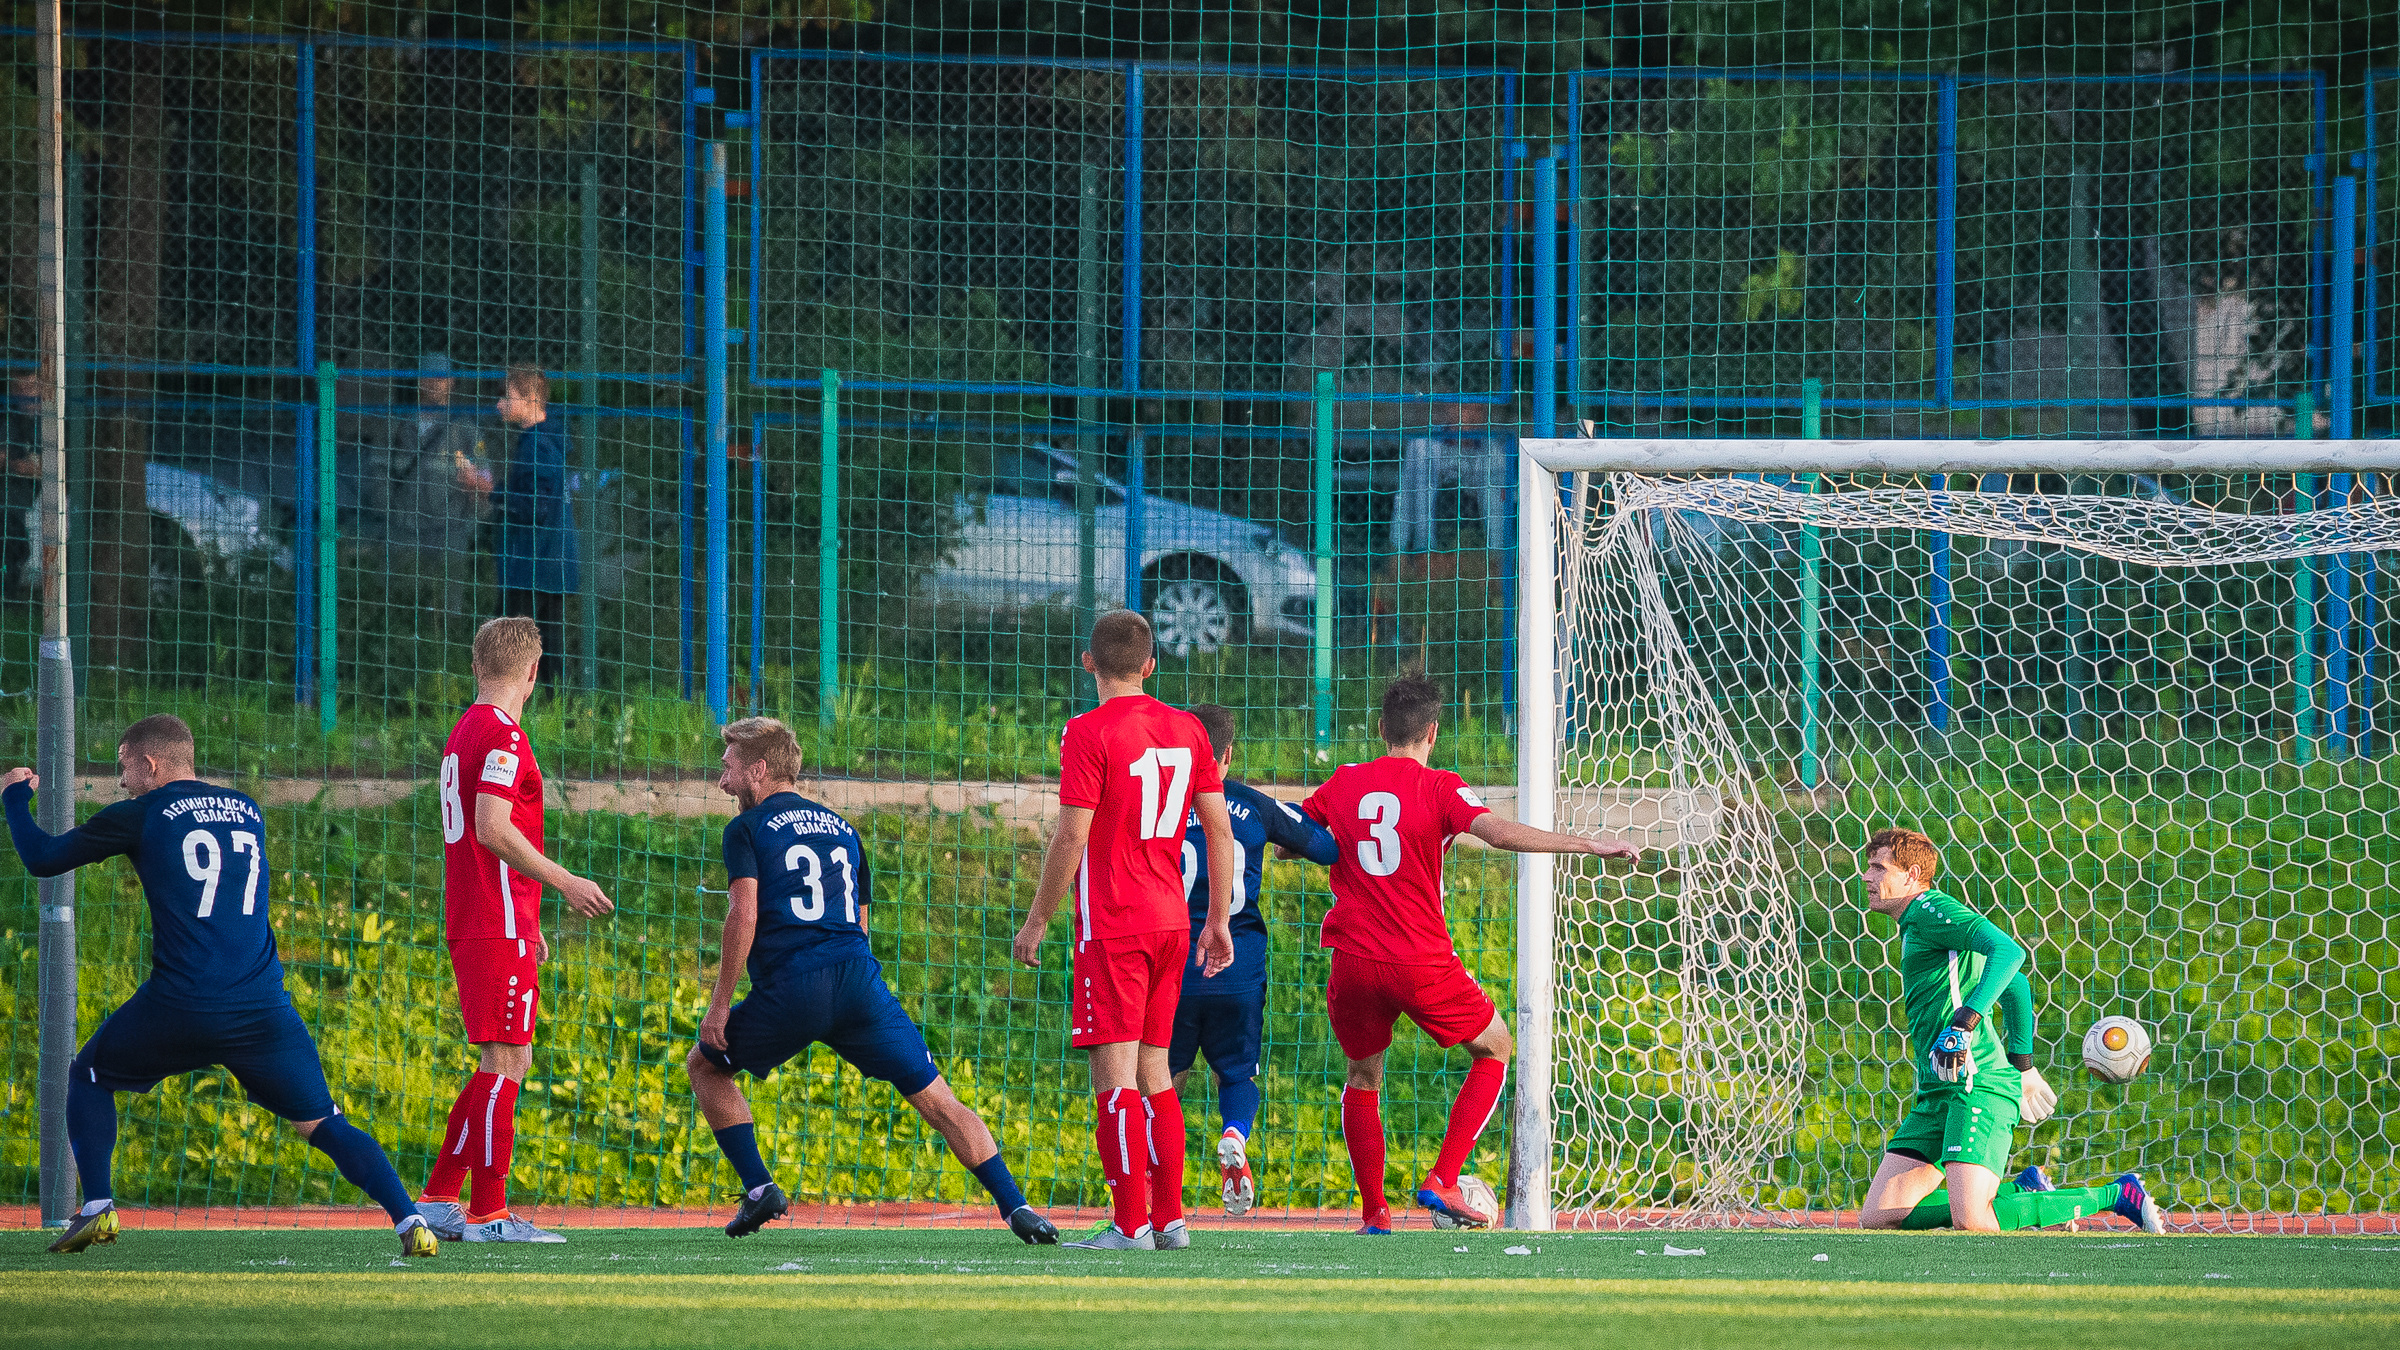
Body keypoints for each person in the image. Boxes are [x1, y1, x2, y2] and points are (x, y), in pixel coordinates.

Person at [3, 715, 437, 1258]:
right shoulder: (247, 810)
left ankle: (97, 1207)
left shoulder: (142, 814)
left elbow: (43, 859)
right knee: (324, 1122)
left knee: (88, 1075)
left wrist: (15, 799)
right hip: (262, 1009)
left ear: (150, 763)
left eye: (123, 766)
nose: (121, 780)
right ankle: (409, 1219)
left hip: (181, 1003)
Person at [686, 717, 1061, 1245]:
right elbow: (860, 924)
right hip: (860, 981)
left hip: (797, 983)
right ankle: (1017, 1208)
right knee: (939, 1101)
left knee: (704, 1065)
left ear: (759, 769)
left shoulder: (745, 830)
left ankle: (758, 1188)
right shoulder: (843, 827)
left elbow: (742, 915)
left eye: (727, 769)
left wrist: (720, 1004)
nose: (722, 782)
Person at [1302, 674, 1640, 1232]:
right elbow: (1500, 834)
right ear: (1432, 733)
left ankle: (1375, 1216)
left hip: (1354, 959)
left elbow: (1297, 837)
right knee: (1496, 1046)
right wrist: (1587, 845)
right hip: (1420, 960)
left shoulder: (1343, 782)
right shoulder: (1440, 787)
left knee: (1363, 1078)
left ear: (1382, 728)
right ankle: (1443, 1178)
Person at [1013, 610, 1239, 1251]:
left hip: (1113, 925)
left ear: (1088, 663)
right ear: (1150, 665)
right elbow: (1218, 828)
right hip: (1173, 922)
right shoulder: (1189, 728)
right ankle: (1170, 1221)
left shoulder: (1086, 731)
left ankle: (1130, 1224)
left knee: (1113, 1078)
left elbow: (1072, 833)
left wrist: (1036, 923)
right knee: (1156, 1072)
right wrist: (1217, 920)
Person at [1854, 827, 2164, 1234]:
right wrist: (2024, 1065)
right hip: (1938, 1087)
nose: (1866, 876)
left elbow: (2011, 952)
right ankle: (2023, 1192)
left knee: (1974, 1222)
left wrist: (1964, 1023)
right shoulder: (1918, 923)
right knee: (1878, 1217)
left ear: (1911, 874)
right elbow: (2014, 983)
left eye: (1878, 867)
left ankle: (2117, 1194)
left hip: (1975, 1082)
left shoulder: (1930, 908)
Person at [415, 617, 614, 1243]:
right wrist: (566, 883)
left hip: (490, 916)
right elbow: (492, 828)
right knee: (508, 1059)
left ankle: (440, 1197)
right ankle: (489, 1214)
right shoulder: (503, 736)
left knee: (499, 1060)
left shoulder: (464, 731)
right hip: (492, 918)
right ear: (533, 673)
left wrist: (525, 919)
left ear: (477, 665)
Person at [1170, 703, 1336, 1217]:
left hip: (1172, 965)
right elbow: (1326, 847)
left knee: (1160, 1080)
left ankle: (1158, 1198)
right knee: (1237, 1075)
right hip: (1237, 967)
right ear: (1228, 753)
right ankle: (1235, 1132)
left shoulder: (1161, 804)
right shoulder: (1252, 805)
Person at [493, 364, 577, 683]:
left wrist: (491, 490)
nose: (499, 403)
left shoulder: (536, 445)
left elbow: (536, 506)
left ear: (529, 399)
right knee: (548, 646)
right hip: (553, 561)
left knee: (517, 647)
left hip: (533, 564)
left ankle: (518, 713)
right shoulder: (552, 440)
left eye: (507, 395)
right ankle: (559, 715)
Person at [371, 351, 493, 560]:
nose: (437, 382)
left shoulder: (466, 430)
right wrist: (392, 515)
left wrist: (467, 526)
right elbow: (377, 475)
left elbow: (484, 480)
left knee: (447, 590)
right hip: (403, 534)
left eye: (443, 377)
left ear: (452, 382)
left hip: (450, 535)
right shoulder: (396, 426)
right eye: (430, 375)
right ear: (418, 380)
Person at [4, 372, 41, 601]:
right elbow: (13, 462)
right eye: (23, 388)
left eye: (33, 387)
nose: (29, 395)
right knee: (13, 544)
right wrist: (17, 465)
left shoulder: (50, 422)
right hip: (10, 502)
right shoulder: (8, 419)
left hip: (36, 501)